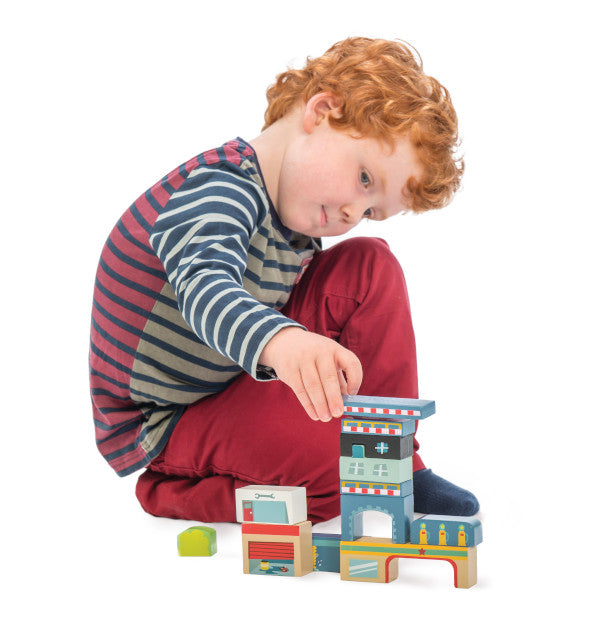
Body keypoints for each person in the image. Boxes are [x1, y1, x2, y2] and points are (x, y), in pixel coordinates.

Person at [89, 37, 479, 524]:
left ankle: (395, 459)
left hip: (236, 374)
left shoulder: (297, 224)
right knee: (334, 472)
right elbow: (205, 289)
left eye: (370, 210)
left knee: (370, 264)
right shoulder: (220, 187)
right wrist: (283, 341)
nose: (353, 213)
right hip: (173, 415)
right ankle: (176, 490)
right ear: (321, 111)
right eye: (364, 179)